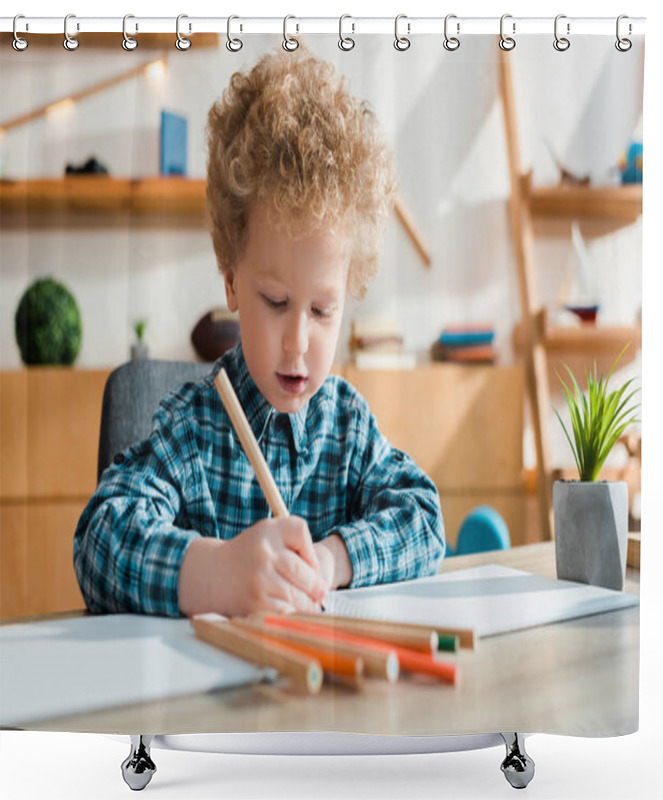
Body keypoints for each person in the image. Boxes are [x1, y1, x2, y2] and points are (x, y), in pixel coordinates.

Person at [73, 52, 445, 619]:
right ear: (230, 280)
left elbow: (423, 519)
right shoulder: (194, 429)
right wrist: (213, 574)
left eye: (322, 309)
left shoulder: (347, 428)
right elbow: (100, 538)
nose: (298, 341)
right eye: (275, 302)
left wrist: (330, 560)